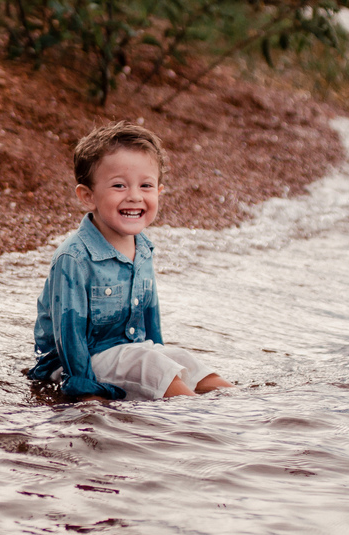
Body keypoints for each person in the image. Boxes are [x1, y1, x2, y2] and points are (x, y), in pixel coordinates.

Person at [28, 121, 233, 401]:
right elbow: (69, 335)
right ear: (88, 196)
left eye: (146, 185)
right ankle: (194, 417)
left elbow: (151, 320)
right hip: (74, 364)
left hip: (130, 354)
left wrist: (163, 359)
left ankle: (247, 409)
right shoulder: (74, 258)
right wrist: (87, 393)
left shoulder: (143, 248)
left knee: (184, 360)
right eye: (119, 185)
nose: (135, 196)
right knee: (150, 365)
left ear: (159, 191)